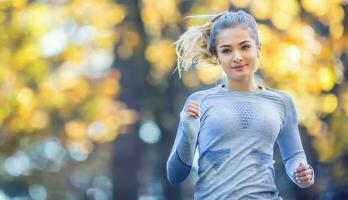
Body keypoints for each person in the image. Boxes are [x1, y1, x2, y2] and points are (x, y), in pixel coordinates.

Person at [166, 10, 314, 199]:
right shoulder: (199, 102)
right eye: (227, 50)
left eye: (245, 47)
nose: (237, 56)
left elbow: (294, 157)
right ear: (217, 56)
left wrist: (301, 173)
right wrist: (188, 135)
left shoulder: (282, 102)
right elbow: (175, 176)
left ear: (258, 48)